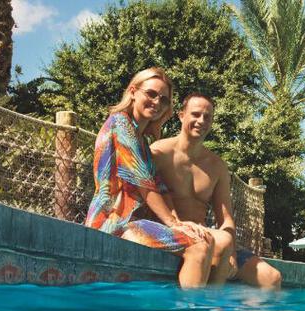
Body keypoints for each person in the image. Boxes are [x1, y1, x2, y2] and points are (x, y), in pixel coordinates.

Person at [84, 68, 215, 289]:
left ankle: (189, 307)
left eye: (164, 100)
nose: (157, 102)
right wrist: (174, 224)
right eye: (151, 94)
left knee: (203, 239)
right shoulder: (120, 123)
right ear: (133, 91)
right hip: (111, 222)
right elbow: (144, 183)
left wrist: (180, 222)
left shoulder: (143, 142)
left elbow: (160, 188)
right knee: (198, 245)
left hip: (131, 223)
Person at [151, 92, 282, 289]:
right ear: (181, 115)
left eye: (207, 117)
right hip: (172, 231)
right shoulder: (159, 153)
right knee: (219, 242)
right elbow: (147, 196)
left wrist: (232, 252)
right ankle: (207, 310)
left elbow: (226, 219)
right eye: (195, 114)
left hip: (209, 236)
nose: (201, 121)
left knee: (272, 278)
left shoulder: (217, 165)